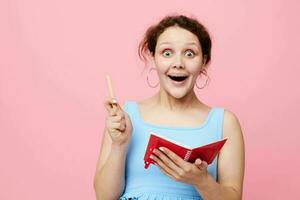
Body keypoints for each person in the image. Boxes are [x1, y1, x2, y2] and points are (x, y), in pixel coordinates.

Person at [94, 14, 245, 200]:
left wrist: (201, 181)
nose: (178, 63)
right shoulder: (125, 117)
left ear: (204, 61)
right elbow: (104, 197)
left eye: (189, 53)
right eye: (167, 53)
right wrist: (119, 144)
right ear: (154, 58)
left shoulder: (225, 123)